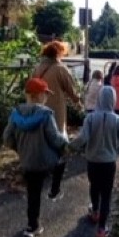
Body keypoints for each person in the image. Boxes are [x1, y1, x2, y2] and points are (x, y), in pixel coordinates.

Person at [2, 78, 70, 237]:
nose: (46, 98)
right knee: (62, 161)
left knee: (33, 193)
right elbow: (55, 139)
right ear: (39, 96)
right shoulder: (46, 115)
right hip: (45, 161)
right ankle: (54, 191)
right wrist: (66, 144)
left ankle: (32, 226)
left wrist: (19, 149)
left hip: (27, 162)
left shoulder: (16, 114)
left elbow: (6, 137)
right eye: (45, 94)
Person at [68, 86, 119, 237]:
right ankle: (102, 228)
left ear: (99, 99)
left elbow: (83, 139)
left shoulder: (90, 118)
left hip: (92, 161)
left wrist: (69, 147)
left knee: (94, 186)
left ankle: (94, 211)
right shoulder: (117, 120)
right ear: (113, 100)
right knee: (107, 193)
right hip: (109, 162)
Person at [31, 40, 82, 197]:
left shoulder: (37, 68)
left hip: (37, 108)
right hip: (55, 110)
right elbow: (71, 89)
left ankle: (40, 165)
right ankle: (54, 168)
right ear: (59, 53)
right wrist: (78, 102)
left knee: (42, 136)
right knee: (58, 136)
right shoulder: (60, 69)